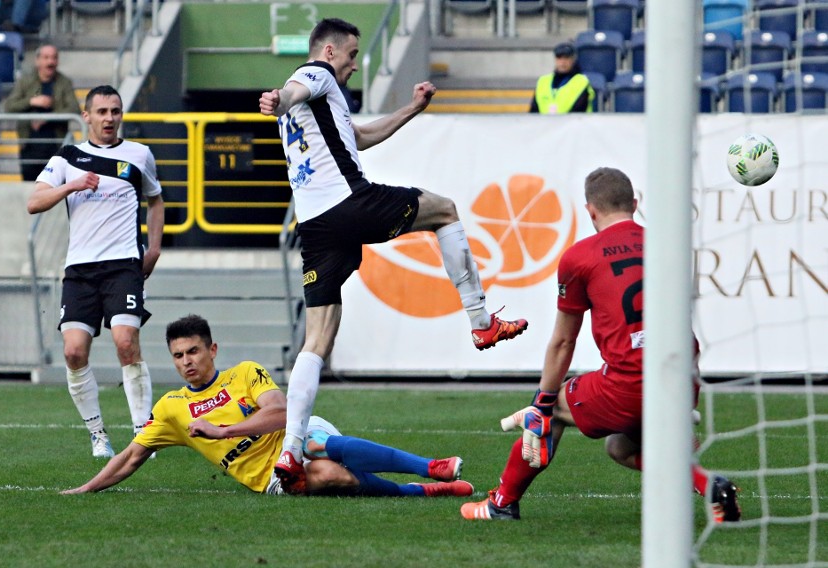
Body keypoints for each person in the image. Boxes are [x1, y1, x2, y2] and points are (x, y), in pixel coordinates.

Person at [258, 16, 529, 489]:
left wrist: (411, 109)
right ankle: (482, 322)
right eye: (352, 55)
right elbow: (295, 89)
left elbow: (358, 137)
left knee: (317, 339)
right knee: (443, 211)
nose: (355, 65)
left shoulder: (326, 102)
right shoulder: (316, 76)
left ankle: (290, 451)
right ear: (329, 52)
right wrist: (279, 98)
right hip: (348, 203)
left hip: (316, 224)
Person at [460, 167, 741, 523]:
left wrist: (541, 403)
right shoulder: (668, 245)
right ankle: (709, 484)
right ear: (635, 204)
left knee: (551, 410)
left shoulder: (580, 257)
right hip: (682, 375)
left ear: (590, 210)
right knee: (620, 447)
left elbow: (563, 341)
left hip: (629, 383)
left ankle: (502, 503)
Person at [60, 314, 475, 498]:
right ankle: (417, 491)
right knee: (334, 477)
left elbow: (281, 413)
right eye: (178, 355)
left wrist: (222, 432)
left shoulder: (244, 373)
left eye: (193, 351)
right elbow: (132, 457)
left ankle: (429, 466)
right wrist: (86, 488)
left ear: (212, 350)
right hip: (270, 478)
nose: (186, 361)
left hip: (297, 439)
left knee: (313, 444)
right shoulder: (172, 407)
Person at [26, 85, 165, 459]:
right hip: (80, 269)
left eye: (115, 111)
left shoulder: (139, 155)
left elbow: (155, 199)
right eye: (101, 111)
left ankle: (142, 434)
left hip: (123, 265)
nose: (109, 118)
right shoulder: (67, 157)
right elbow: (34, 202)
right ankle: (98, 435)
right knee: (73, 353)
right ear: (86, 116)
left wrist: (153, 248)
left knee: (125, 343)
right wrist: (71, 184)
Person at [4, 44, 80, 180]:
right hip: (29, 145)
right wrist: (31, 101)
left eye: (54, 58)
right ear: (37, 60)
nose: (50, 62)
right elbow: (9, 106)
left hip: (56, 144)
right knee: (29, 188)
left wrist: (47, 118)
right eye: (46, 58)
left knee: (57, 187)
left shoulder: (64, 82)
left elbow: (74, 109)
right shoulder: (25, 82)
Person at [529, 42, 595, 114]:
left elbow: (578, 110)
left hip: (574, 124)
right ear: (555, 59)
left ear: (573, 60)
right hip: (544, 123)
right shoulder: (543, 81)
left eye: (566, 58)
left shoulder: (581, 81)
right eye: (559, 58)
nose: (562, 62)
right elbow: (534, 110)